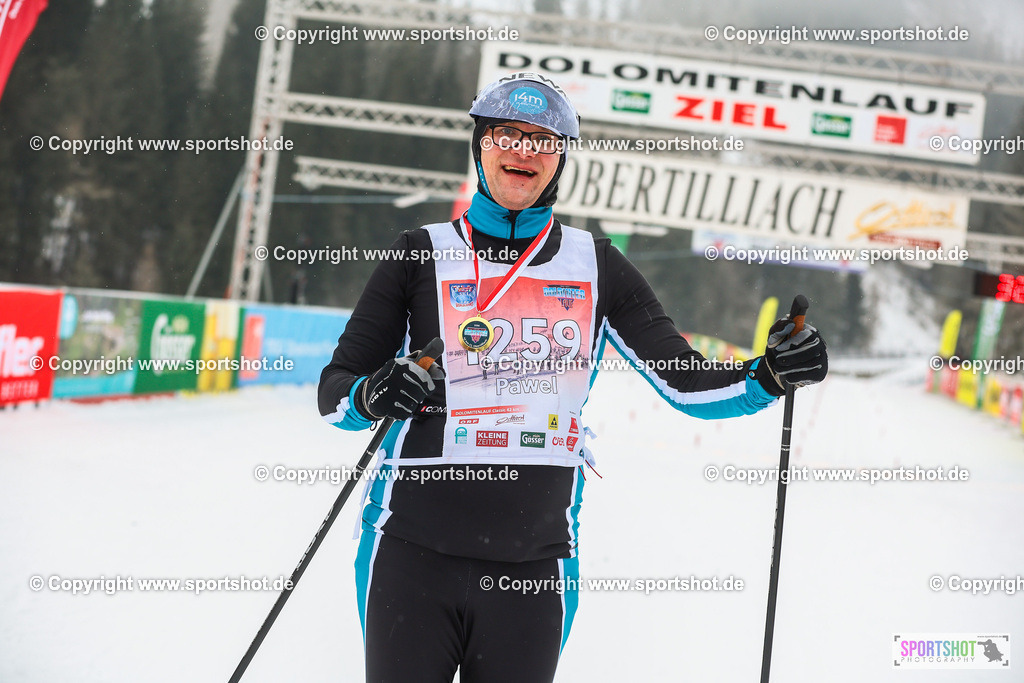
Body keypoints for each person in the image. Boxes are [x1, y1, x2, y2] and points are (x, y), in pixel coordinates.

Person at [318, 72, 827, 683]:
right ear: (480, 144)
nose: (523, 150)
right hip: (408, 557)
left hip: (533, 572)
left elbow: (687, 382)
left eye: (543, 140)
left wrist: (770, 374)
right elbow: (335, 392)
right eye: (508, 133)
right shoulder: (417, 252)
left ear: (561, 159)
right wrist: (374, 394)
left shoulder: (597, 265)